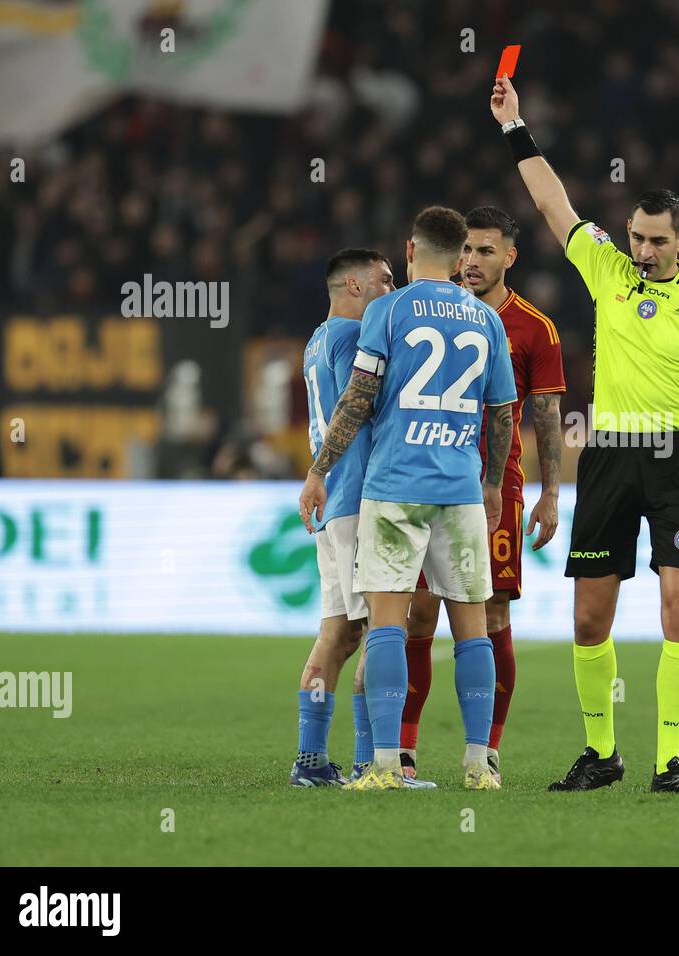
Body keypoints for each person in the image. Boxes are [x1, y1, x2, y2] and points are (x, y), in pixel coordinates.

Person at [491, 76, 679, 794]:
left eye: (656, 241)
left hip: (676, 460)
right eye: (635, 236)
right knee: (587, 618)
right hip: (608, 454)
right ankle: (602, 754)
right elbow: (551, 202)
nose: (641, 249)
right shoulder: (605, 265)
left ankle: (670, 763)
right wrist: (517, 126)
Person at [298, 206, 517, 791]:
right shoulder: (486, 320)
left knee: (388, 626)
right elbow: (502, 413)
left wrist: (320, 468)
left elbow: (360, 397)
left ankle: (387, 765)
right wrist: (492, 481)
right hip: (461, 487)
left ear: (411, 250)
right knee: (473, 628)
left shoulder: (387, 311)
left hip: (395, 488)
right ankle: (478, 764)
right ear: (461, 253)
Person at [401, 206, 566, 785]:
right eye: (467, 250)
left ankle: (487, 751)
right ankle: (404, 748)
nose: (472, 261)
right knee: (418, 611)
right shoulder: (430, 312)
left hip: (497, 490)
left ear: (510, 258)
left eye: (486, 251)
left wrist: (549, 493)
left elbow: (545, 414)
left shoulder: (534, 329)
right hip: (424, 480)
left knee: (491, 611)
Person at [289, 249, 394, 787]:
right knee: (379, 628)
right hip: (354, 494)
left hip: (333, 498)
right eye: (384, 280)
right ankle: (367, 763)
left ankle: (310, 760)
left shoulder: (316, 339)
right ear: (354, 284)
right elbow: (368, 405)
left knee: (339, 631)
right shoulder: (354, 338)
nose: (391, 288)